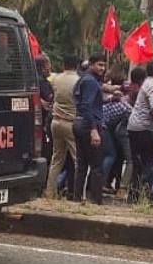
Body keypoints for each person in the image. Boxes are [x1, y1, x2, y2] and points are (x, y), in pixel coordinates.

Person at [72, 54, 108, 204]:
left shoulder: (83, 79)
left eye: (103, 65)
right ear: (91, 64)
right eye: (99, 65)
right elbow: (87, 105)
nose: (102, 68)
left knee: (81, 164)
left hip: (78, 123)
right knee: (96, 166)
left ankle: (77, 196)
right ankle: (96, 200)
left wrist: (111, 97)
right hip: (88, 125)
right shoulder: (91, 82)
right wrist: (93, 129)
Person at [46, 56, 81, 198]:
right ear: (77, 65)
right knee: (78, 160)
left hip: (55, 121)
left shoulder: (56, 79)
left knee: (56, 159)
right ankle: (78, 192)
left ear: (63, 64)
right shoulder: (78, 81)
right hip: (70, 122)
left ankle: (50, 192)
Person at [126, 62, 153, 196]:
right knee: (149, 161)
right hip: (144, 128)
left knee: (137, 161)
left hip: (134, 126)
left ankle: (133, 193)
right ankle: (145, 192)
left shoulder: (146, 82)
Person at [36, 55, 55, 166]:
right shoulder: (41, 81)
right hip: (44, 119)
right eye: (48, 65)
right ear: (43, 67)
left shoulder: (34, 78)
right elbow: (49, 97)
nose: (50, 68)